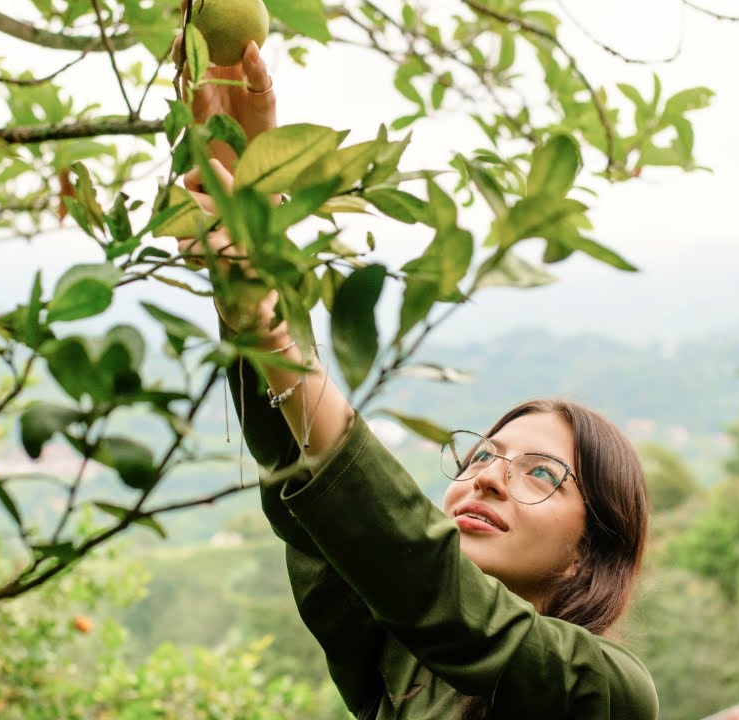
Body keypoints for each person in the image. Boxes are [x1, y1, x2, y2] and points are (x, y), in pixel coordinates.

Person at [177, 41, 658, 720]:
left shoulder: (603, 693)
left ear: (587, 555)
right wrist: (260, 204)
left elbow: (421, 575)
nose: (487, 476)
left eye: (541, 474)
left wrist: (273, 335)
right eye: (481, 456)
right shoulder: (406, 663)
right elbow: (308, 485)